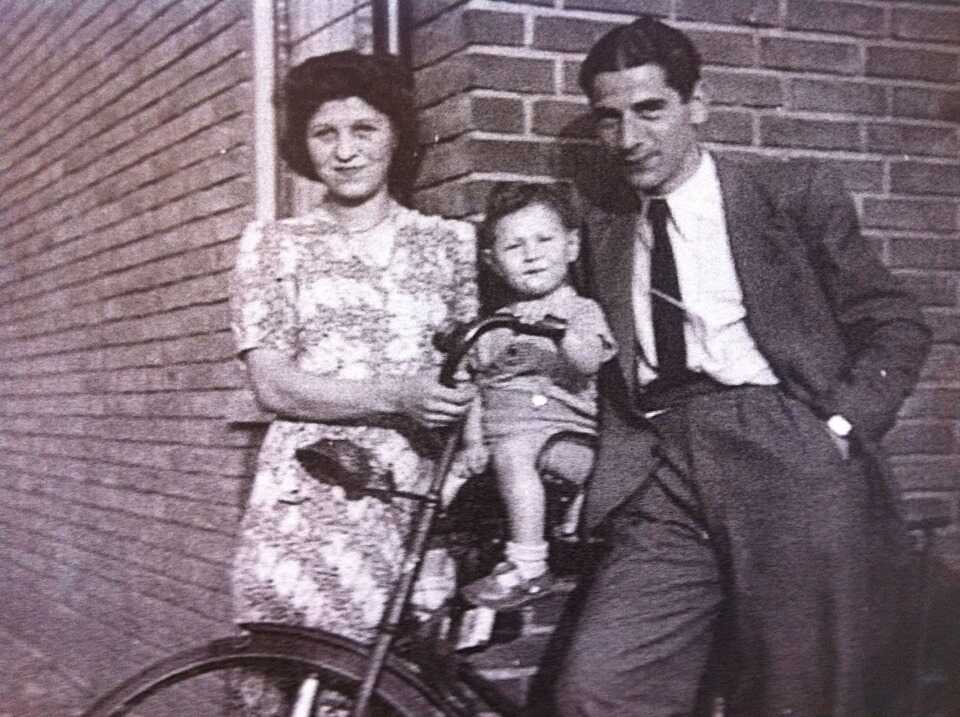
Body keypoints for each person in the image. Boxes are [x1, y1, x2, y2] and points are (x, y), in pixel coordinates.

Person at [553, 15, 932, 717]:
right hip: (661, 466)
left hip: (783, 449)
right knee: (600, 686)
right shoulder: (603, 229)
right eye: (609, 118)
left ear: (697, 104)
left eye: (650, 110)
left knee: (797, 692)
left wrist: (842, 425)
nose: (629, 137)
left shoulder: (789, 195)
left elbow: (895, 321)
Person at [228, 50, 477, 714]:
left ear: (395, 134)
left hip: (409, 502)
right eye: (324, 133)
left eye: (363, 129)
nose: (344, 151)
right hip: (308, 501)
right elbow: (273, 385)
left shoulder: (449, 245)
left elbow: (471, 373)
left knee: (391, 693)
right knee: (293, 690)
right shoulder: (272, 246)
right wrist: (398, 394)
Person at [457, 183, 616, 611]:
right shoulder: (494, 325)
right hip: (503, 444)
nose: (531, 254)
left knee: (514, 452)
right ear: (493, 261)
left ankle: (529, 563)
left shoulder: (581, 311)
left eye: (544, 240)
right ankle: (427, 578)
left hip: (566, 442)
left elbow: (588, 361)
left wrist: (557, 329)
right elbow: (475, 387)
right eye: (514, 246)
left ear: (571, 246)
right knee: (443, 485)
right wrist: (472, 442)